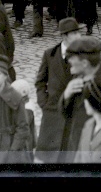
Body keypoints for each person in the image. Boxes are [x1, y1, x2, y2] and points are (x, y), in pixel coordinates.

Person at [34, 17, 82, 163]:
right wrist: (44, 103)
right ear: (64, 36)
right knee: (49, 157)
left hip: (74, 112)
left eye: (78, 32)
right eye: (75, 33)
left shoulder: (83, 55)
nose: (79, 36)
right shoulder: (50, 54)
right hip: (53, 112)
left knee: (69, 155)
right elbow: (40, 82)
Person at [0, 54, 31, 163]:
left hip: (10, 146)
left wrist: (13, 151)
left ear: (5, 76)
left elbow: (23, 128)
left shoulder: (15, 97)